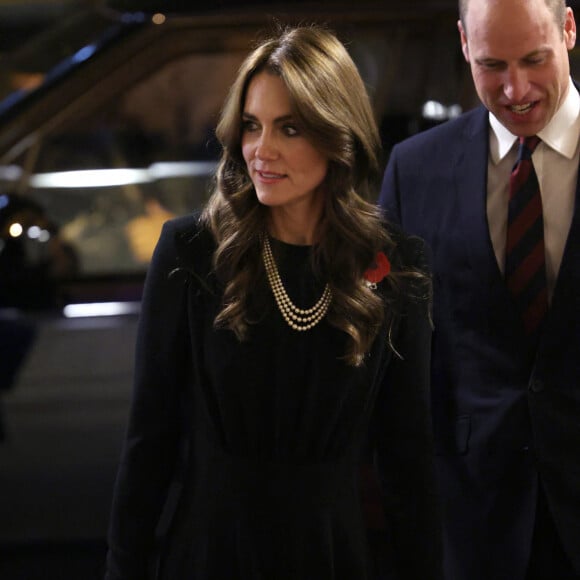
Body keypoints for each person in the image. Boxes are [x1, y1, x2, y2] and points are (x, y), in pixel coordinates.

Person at [104, 25, 442, 580]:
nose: (262, 150)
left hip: (332, 555)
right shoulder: (191, 252)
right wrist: (124, 568)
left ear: (337, 136)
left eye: (289, 129)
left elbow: (408, 461)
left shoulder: (397, 264)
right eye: (252, 126)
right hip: (210, 554)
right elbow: (149, 442)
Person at [379, 0, 580, 578]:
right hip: (475, 519)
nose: (515, 89)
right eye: (492, 65)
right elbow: (397, 355)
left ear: (569, 29)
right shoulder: (414, 171)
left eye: (534, 60)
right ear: (464, 43)